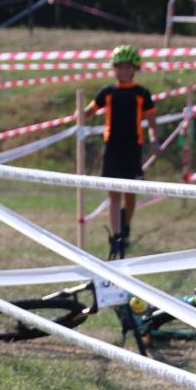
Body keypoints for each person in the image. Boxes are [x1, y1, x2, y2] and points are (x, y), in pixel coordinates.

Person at [78, 44, 158, 258]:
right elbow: (89, 111)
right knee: (114, 194)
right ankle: (116, 237)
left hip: (133, 149)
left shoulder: (142, 93)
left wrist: (154, 140)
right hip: (112, 148)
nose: (123, 71)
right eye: (119, 67)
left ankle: (126, 226)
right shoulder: (108, 92)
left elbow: (151, 121)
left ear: (134, 69)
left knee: (130, 194)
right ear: (114, 69)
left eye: (127, 67)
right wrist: (79, 114)